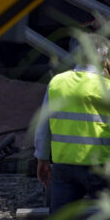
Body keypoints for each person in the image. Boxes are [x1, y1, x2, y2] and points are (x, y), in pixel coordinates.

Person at [35, 33, 110, 214]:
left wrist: (42, 158)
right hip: (100, 167)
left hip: (64, 167)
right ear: (104, 57)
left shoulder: (57, 83)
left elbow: (44, 126)